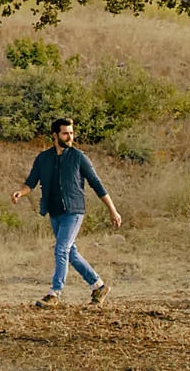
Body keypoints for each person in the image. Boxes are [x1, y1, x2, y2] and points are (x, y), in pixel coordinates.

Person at [11, 118, 123, 307]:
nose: (70, 136)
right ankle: (99, 285)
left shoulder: (79, 157)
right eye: (65, 133)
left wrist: (113, 210)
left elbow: (97, 184)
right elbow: (31, 182)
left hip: (74, 211)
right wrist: (20, 193)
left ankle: (54, 293)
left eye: (71, 133)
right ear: (55, 135)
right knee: (70, 252)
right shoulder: (43, 158)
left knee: (61, 249)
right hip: (54, 212)